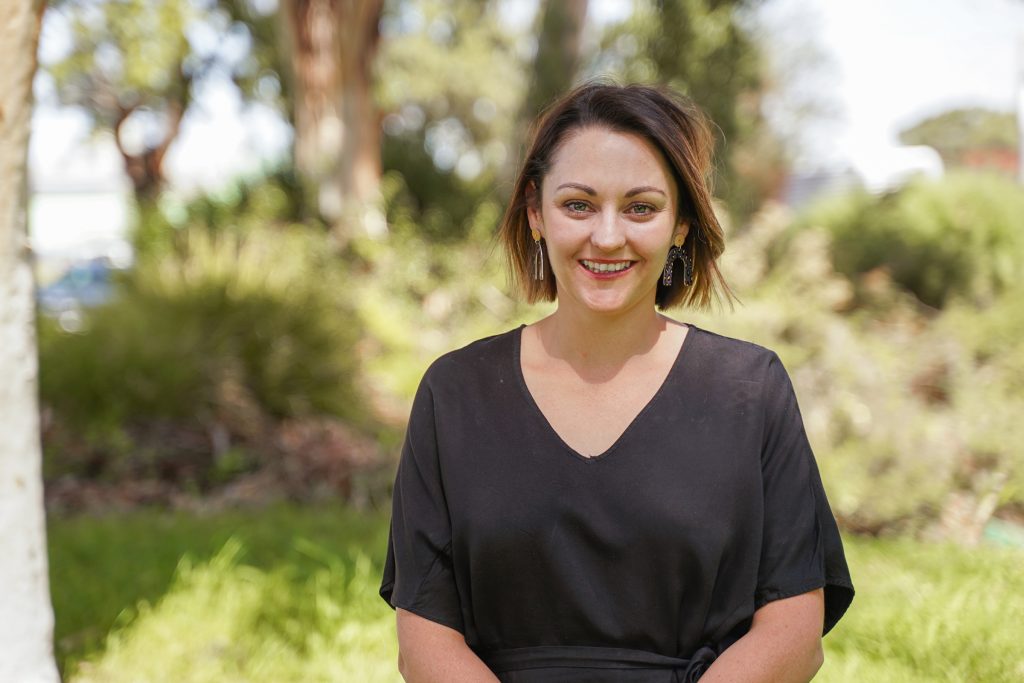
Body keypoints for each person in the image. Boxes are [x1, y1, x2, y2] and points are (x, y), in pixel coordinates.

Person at [379, 82, 854, 682]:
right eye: (578, 204)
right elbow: (422, 640)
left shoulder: (751, 390)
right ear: (535, 214)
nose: (607, 236)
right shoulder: (453, 394)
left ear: (680, 224)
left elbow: (794, 632)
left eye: (641, 208)